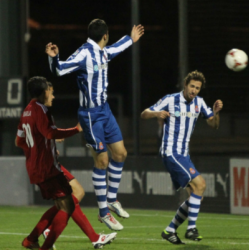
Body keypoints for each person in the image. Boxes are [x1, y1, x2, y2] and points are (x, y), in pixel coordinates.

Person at [45, 19, 144, 230]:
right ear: (105, 35)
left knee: (121, 154)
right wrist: (54, 59)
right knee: (102, 161)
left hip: (105, 111)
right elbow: (60, 70)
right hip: (90, 115)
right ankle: (103, 212)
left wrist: (131, 39)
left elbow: (115, 49)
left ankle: (111, 199)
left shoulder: (102, 52)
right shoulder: (84, 54)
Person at [141, 70, 223, 244]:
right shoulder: (170, 99)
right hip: (171, 152)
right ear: (185, 85)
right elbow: (144, 113)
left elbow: (214, 125)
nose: (194, 90)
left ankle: (170, 230)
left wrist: (216, 112)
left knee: (196, 194)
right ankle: (191, 228)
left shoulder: (199, 102)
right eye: (192, 86)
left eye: (197, 88)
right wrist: (157, 114)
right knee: (200, 184)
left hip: (183, 154)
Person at [17, 76, 80, 250]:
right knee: (68, 206)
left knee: (61, 204)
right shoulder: (42, 110)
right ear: (45, 92)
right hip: (47, 168)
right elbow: (50, 133)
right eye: (51, 92)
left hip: (35, 168)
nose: (53, 96)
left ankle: (31, 240)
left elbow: (19, 141)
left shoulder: (27, 111)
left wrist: (39, 151)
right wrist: (76, 130)